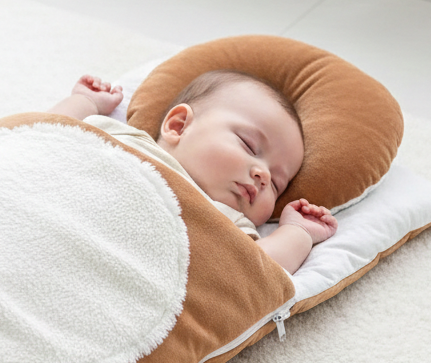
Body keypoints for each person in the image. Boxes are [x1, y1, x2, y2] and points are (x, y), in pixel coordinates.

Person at [49, 71, 337, 275]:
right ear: (178, 126)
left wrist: (297, 232)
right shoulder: (125, 140)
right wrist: (86, 102)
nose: (263, 175)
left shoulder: (228, 223)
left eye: (276, 185)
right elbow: (48, 134)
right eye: (249, 145)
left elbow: (258, 270)